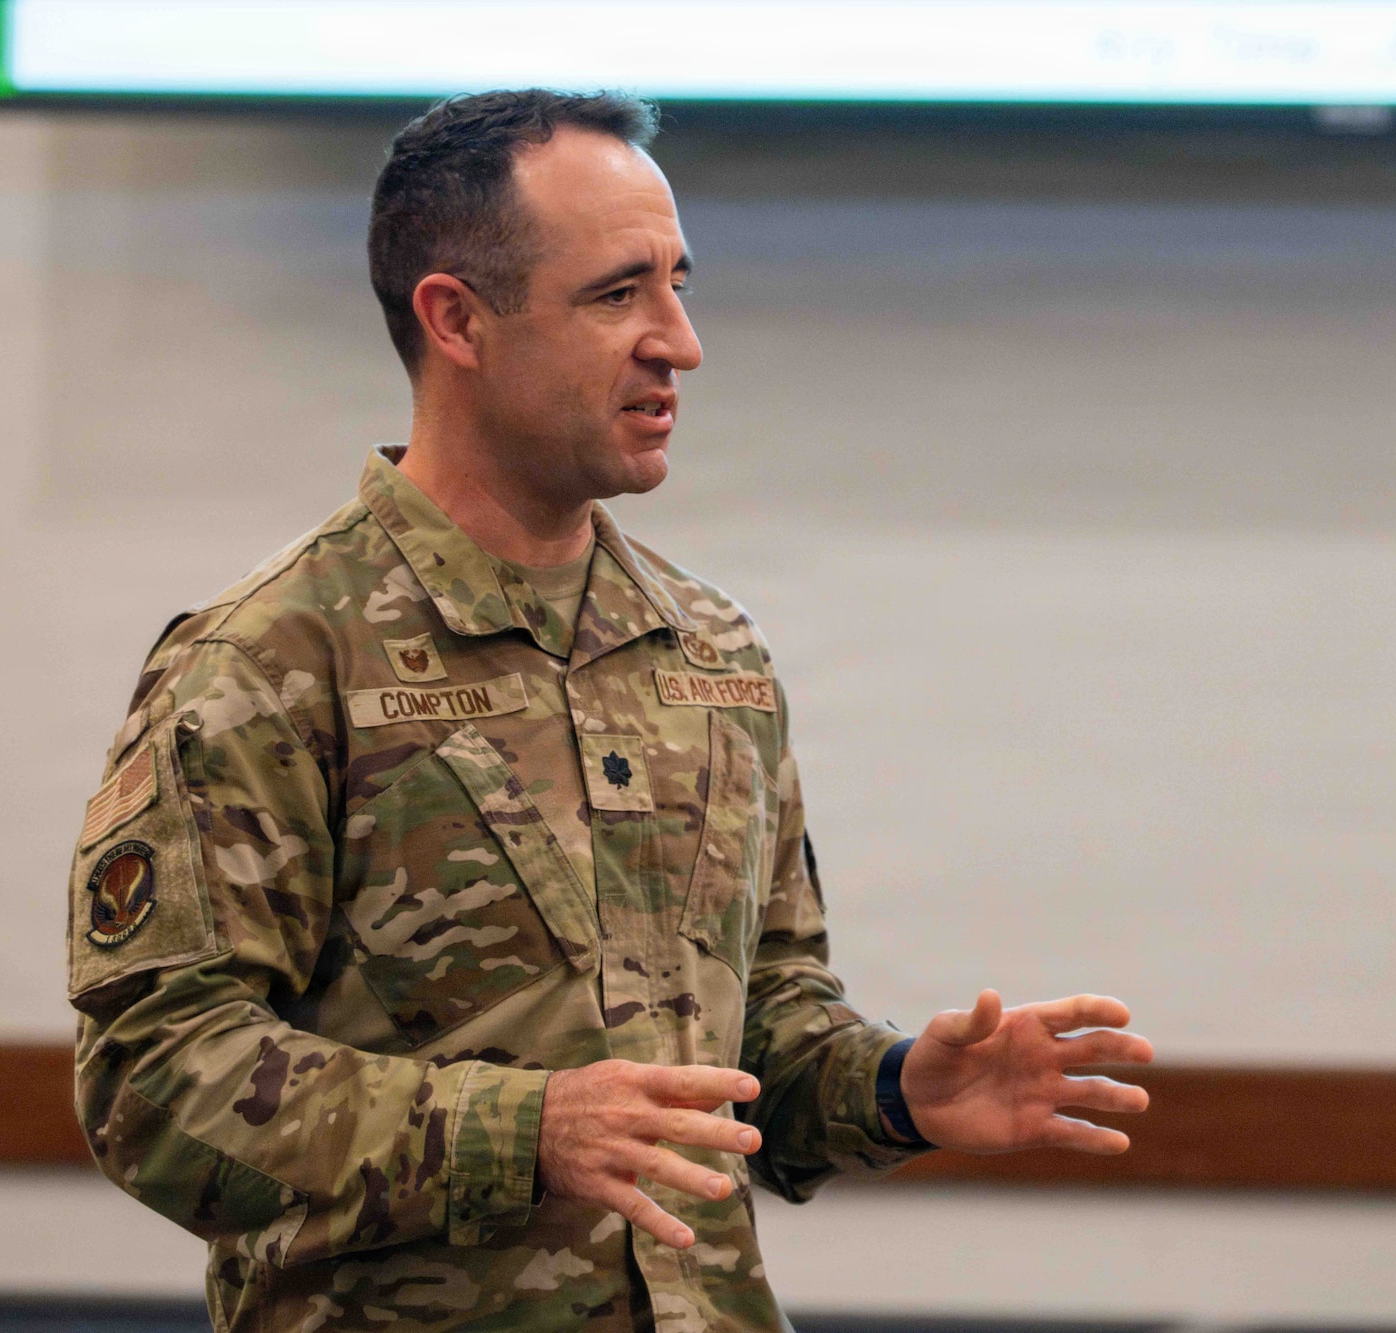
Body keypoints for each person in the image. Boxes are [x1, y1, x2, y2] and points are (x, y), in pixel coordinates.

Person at [66, 89, 1155, 1333]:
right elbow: (152, 1085)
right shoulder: (273, 657)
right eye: (616, 294)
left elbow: (756, 1030)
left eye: (677, 286)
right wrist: (524, 1129)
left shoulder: (710, 650)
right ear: (456, 319)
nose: (678, 343)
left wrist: (898, 1088)